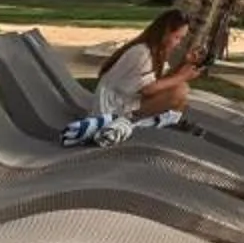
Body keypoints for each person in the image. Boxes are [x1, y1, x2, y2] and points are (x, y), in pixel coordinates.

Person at [59, 9, 202, 148]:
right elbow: (148, 89)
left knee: (179, 92)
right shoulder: (142, 53)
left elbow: (161, 83)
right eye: (177, 37)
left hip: (128, 100)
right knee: (180, 91)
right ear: (164, 32)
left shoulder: (156, 51)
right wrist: (182, 76)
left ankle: (161, 124)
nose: (178, 43)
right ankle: (135, 124)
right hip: (113, 108)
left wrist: (184, 63)